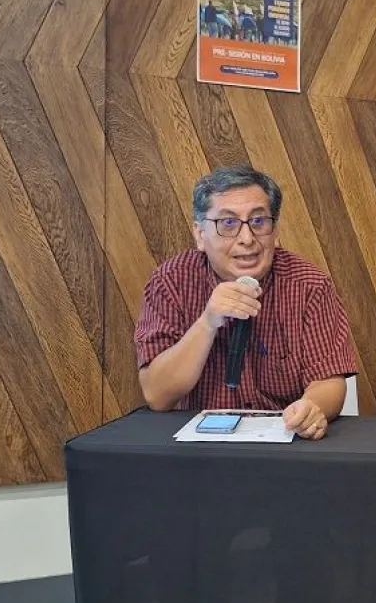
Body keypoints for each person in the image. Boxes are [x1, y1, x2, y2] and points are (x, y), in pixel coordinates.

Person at [134, 165, 356, 439]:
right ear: (200, 234)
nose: (247, 239)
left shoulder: (309, 284)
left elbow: (328, 380)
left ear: (275, 231)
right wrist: (207, 322)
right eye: (227, 223)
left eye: (259, 221)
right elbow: (158, 395)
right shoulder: (170, 281)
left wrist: (311, 407)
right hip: (197, 450)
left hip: (283, 442)